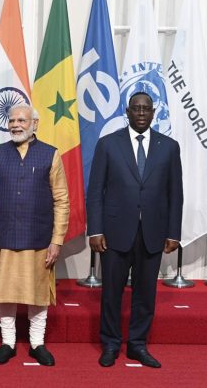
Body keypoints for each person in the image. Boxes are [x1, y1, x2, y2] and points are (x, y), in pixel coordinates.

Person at [87, 91, 183, 368]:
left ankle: (138, 345)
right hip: (114, 232)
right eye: (136, 108)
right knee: (111, 293)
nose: (141, 113)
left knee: (145, 294)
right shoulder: (107, 145)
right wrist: (95, 230)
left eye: (146, 109)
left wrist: (173, 232)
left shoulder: (169, 147)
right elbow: (95, 192)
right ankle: (111, 344)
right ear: (127, 112)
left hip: (153, 233)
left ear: (154, 113)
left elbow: (175, 193)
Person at [0, 104, 69, 367]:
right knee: (5, 292)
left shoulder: (50, 155)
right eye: (12, 120)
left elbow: (62, 200)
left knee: (37, 293)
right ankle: (7, 343)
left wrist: (57, 240)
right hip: (2, 238)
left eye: (21, 120)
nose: (16, 125)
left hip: (39, 238)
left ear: (34, 124)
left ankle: (37, 344)